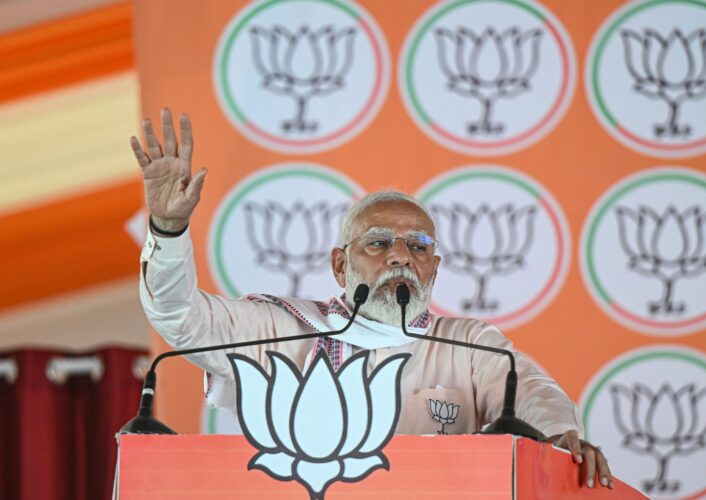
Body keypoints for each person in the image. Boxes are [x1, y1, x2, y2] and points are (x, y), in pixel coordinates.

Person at [131, 108, 614, 489]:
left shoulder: (469, 346)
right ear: (340, 265)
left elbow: (532, 392)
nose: (401, 257)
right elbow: (180, 317)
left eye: (418, 247)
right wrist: (168, 230)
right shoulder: (281, 329)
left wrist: (555, 437)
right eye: (379, 243)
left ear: (435, 269)